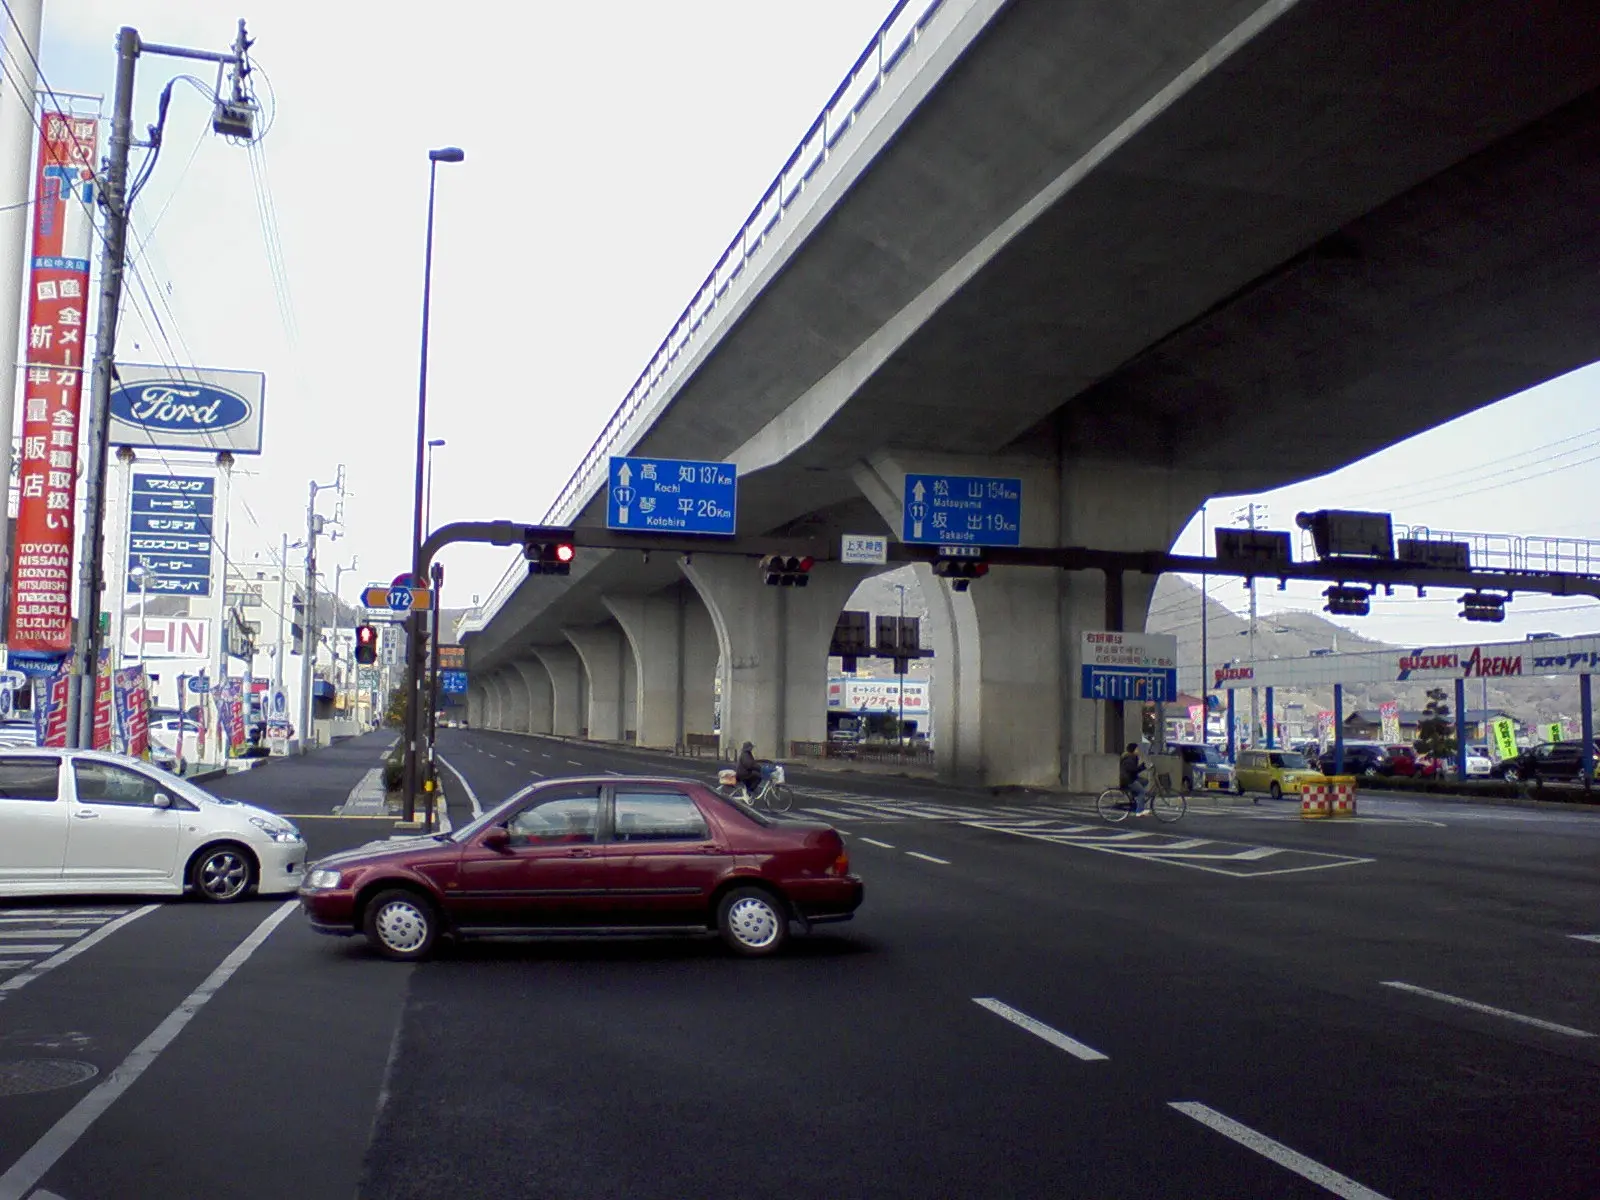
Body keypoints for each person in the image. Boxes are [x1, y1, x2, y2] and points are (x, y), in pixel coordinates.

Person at [1119, 741, 1149, 816]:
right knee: (1142, 792)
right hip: (1128, 780)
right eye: (1137, 749)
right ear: (1133, 750)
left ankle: (1136, 797)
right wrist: (1141, 767)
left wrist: (1142, 767)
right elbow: (1132, 770)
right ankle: (1139, 811)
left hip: (1131, 778)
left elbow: (1133, 770)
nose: (1138, 751)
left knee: (1145, 781)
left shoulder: (1132, 757)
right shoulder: (1129, 758)